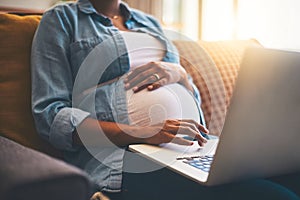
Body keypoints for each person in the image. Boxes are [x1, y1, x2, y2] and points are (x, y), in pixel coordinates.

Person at [31, 0, 300, 199]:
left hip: (191, 150)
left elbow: (187, 94)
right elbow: (51, 117)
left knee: (293, 177)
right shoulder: (61, 20)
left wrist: (180, 73)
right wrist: (143, 133)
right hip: (126, 162)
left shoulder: (150, 23)